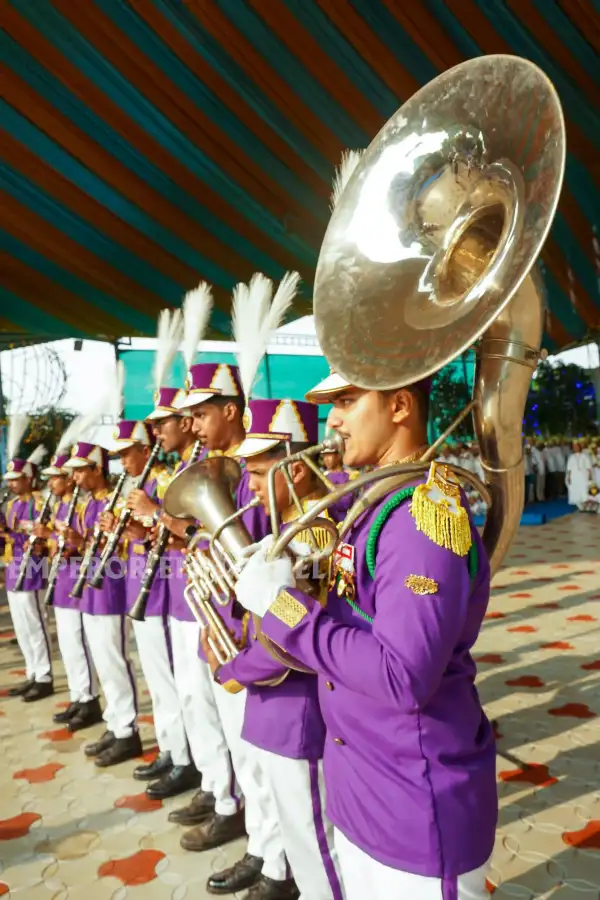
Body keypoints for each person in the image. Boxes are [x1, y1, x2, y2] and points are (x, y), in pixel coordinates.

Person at [232, 369, 497, 900]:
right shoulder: (370, 503)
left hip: (412, 805)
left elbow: (401, 677)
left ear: (400, 406)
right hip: (365, 788)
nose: (332, 419)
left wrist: (280, 607)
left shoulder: (422, 517)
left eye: (348, 401)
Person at [205, 396, 345, 900]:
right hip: (280, 706)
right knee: (298, 835)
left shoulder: (315, 536)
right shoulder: (289, 528)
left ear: (300, 471)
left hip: (298, 707)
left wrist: (238, 669)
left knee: (315, 845)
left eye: (263, 473)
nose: (252, 487)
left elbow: (294, 635)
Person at [169, 364, 292, 896]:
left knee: (263, 759)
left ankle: (275, 860)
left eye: (201, 414)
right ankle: (264, 848)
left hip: (254, 643)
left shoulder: (257, 479)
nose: (193, 424)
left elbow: (270, 570)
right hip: (222, 636)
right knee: (248, 755)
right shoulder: (223, 473)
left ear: (231, 411)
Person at [101, 419, 199, 799]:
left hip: (162, 587)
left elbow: (178, 532)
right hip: (144, 581)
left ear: (145, 450)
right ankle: (171, 747)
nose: (123, 461)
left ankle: (183, 757)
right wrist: (123, 532)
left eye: (128, 452)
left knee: (174, 682)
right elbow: (146, 538)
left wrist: (150, 515)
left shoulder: (162, 481)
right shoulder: (136, 486)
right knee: (158, 683)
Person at [64, 442, 141, 766]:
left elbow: (131, 548)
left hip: (110, 586)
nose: (76, 476)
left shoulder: (119, 500)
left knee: (113, 659)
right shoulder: (86, 505)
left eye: (82, 469)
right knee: (101, 660)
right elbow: (85, 547)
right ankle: (114, 721)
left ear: (98, 469)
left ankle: (127, 731)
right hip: (89, 589)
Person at [39, 452, 102, 730]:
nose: (52, 483)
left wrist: (58, 539)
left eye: (56, 477)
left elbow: (82, 540)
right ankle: (79, 694)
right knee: (68, 641)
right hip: (64, 576)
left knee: (78, 641)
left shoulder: (80, 505)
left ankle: (88, 698)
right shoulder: (63, 506)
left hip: (78, 576)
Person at [1, 435, 53, 702]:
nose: (11, 483)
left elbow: (43, 534)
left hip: (33, 566)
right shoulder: (8, 505)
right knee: (21, 624)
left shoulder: (40, 503)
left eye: (16, 478)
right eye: (9, 479)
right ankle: (32, 671)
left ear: (28, 479)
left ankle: (44, 675)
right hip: (12, 567)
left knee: (35, 622)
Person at [566, 441, 592, 510]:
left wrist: (590, 475)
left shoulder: (584, 455)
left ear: (579, 447)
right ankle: (579, 504)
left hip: (583, 475)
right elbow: (569, 468)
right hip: (574, 476)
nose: (576, 448)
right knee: (575, 489)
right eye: (574, 447)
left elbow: (588, 466)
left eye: (577, 447)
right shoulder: (571, 457)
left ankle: (585, 503)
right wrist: (569, 477)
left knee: (584, 488)